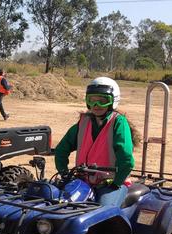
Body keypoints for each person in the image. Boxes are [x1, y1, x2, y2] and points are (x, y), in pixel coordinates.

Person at [54, 77, 135, 207]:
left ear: (113, 101)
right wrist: (64, 174)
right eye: (92, 100)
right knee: (53, 199)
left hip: (110, 183)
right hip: (83, 181)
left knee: (102, 212)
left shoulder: (119, 123)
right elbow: (61, 149)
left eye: (103, 101)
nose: (96, 106)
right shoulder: (83, 122)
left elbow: (126, 157)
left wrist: (116, 182)